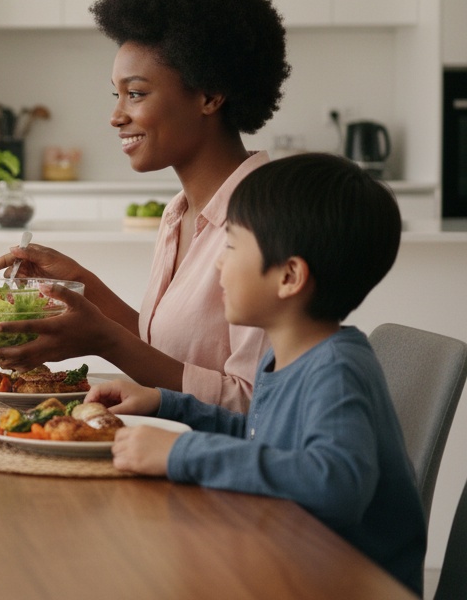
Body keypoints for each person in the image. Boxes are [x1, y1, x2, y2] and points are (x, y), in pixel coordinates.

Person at [89, 153, 424, 593]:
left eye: (230, 247)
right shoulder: (284, 357)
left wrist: (181, 452)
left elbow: (336, 484)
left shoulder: (336, 370)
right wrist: (166, 404)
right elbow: (261, 438)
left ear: (289, 276)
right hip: (293, 562)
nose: (217, 264)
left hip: (346, 583)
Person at [0, 0, 290, 410]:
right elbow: (170, 352)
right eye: (117, 93)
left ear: (209, 95)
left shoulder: (268, 219)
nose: (116, 115)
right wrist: (83, 286)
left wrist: (105, 341)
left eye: (136, 93)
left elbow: (256, 406)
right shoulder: (179, 213)